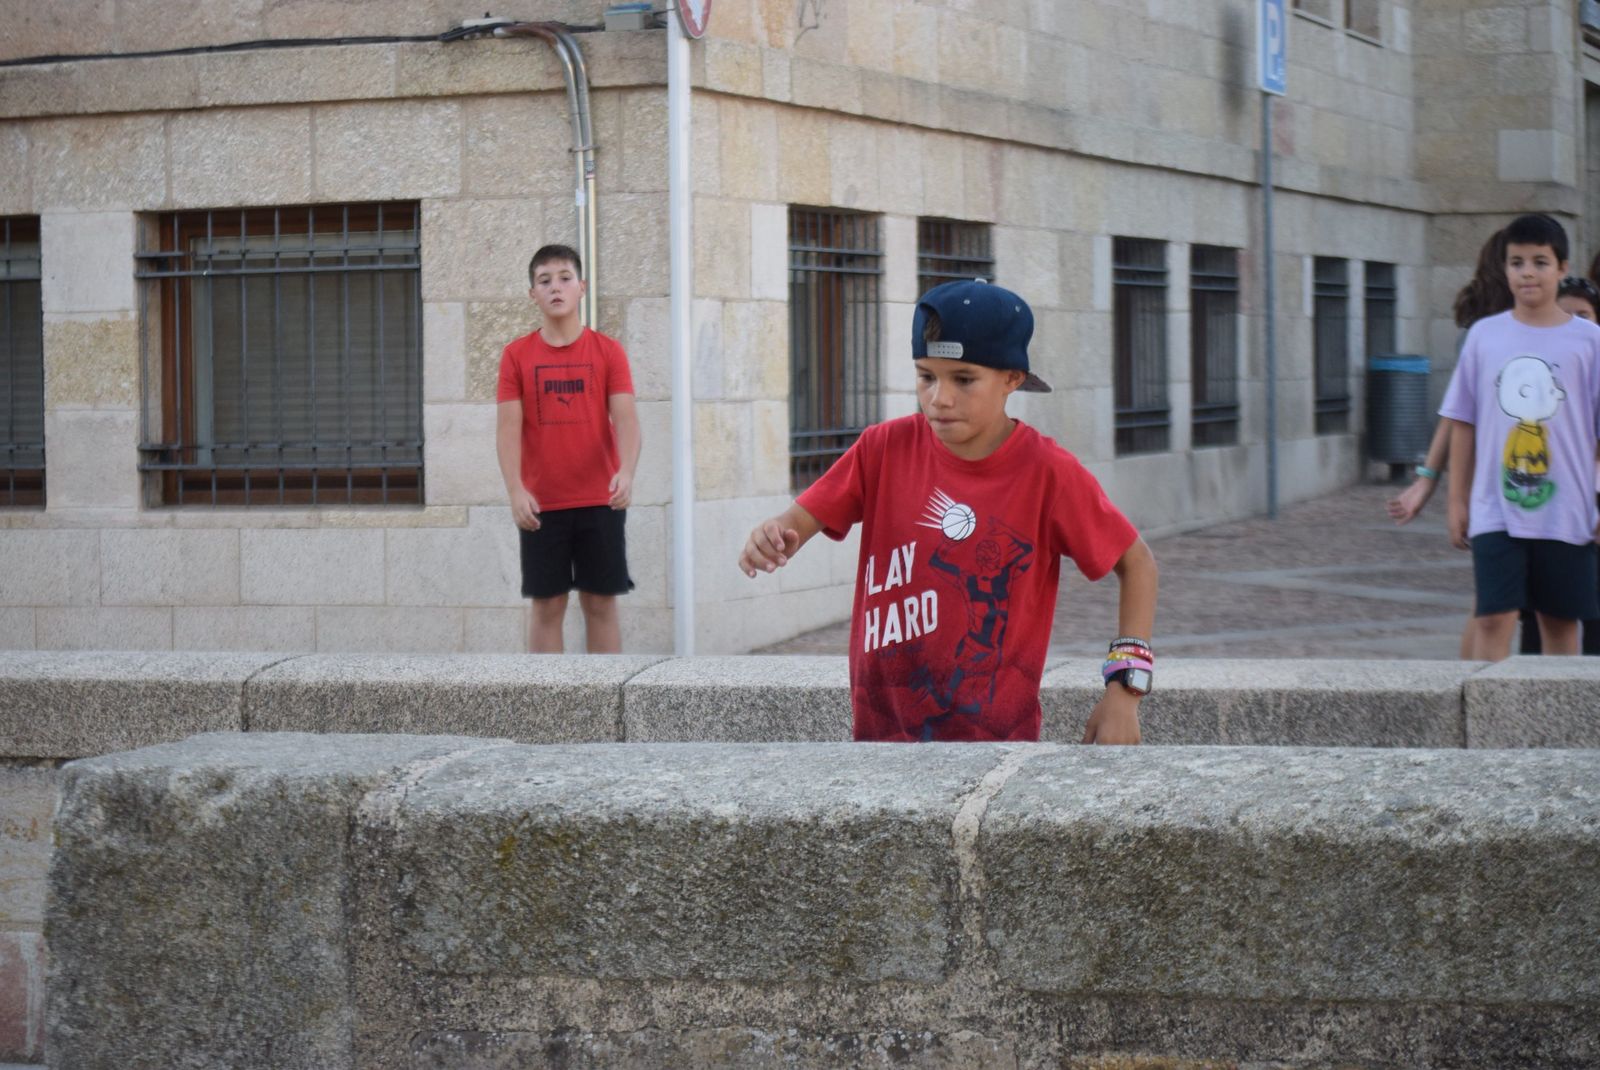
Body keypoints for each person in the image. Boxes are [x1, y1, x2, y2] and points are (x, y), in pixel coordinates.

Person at [737, 279, 1159, 743]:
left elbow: (1136, 562)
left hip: (995, 749)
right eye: (926, 376)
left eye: (963, 379)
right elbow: (799, 521)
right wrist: (776, 533)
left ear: (1012, 379)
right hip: (880, 744)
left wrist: (1126, 688)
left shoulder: (1047, 472)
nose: (940, 397)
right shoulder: (882, 448)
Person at [1439, 213, 1600, 660]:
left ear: (1562, 268)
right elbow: (1462, 420)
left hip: (1568, 510)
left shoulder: (1590, 341)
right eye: (1517, 262)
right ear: (1505, 268)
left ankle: (1560, 726)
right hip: (1495, 507)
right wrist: (1457, 500)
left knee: (1560, 622)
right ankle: (1486, 726)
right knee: (1492, 617)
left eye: (1540, 262)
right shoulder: (1484, 336)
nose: (1527, 272)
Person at [496, 244, 641, 653]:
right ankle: (547, 712)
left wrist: (626, 471)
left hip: (601, 499)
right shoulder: (516, 356)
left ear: (582, 287)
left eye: (564, 278)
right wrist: (515, 490)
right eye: (544, 280)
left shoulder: (608, 351)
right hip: (542, 506)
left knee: (600, 604)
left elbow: (627, 419)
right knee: (546, 607)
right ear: (533, 294)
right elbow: (507, 430)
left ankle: (606, 708)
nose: (555, 287)